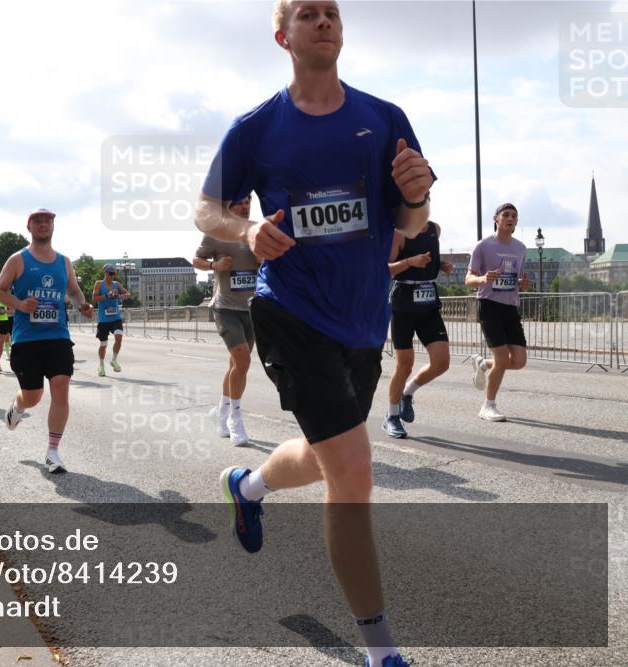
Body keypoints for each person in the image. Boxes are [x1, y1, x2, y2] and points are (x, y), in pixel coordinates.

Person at [195, 3, 434, 666]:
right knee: (354, 470)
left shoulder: (384, 118)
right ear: (285, 36)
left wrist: (416, 198)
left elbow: (410, 220)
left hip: (363, 321)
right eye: (308, 13)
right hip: (291, 313)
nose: (324, 20)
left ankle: (246, 486)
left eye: (332, 12)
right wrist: (243, 230)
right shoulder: (257, 127)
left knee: (328, 455)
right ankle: (381, 648)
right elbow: (205, 206)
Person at [0, 208, 94, 474]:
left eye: (48, 221)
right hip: (26, 339)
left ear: (53, 227)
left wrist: (82, 305)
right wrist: (20, 304)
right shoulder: (18, 259)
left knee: (61, 387)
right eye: (38, 221)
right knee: (33, 397)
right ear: (29, 226)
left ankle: (52, 452)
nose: (43, 225)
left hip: (58, 336)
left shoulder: (64, 261)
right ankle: (17, 407)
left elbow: (73, 290)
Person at [193, 195, 258, 446]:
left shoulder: (255, 230)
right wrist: (214, 265)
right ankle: (235, 418)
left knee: (236, 365)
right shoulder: (216, 232)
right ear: (228, 207)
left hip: (251, 308)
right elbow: (196, 260)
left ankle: (220, 410)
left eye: (248, 202)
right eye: (239, 202)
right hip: (225, 307)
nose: (245, 206)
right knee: (242, 361)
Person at [382, 221, 453, 439]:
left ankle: (407, 393)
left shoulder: (435, 229)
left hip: (429, 304)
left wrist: (441, 265)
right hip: (403, 303)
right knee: (405, 363)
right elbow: (385, 269)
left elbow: (430, 258)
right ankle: (392, 416)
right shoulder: (399, 232)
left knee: (441, 363)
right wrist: (410, 262)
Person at [465, 203, 532, 422]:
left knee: (520, 361)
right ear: (496, 218)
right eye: (506, 215)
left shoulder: (520, 248)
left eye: (514, 215)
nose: (510, 218)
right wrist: (483, 279)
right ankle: (488, 406)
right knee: (502, 358)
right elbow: (468, 279)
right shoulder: (483, 246)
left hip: (510, 307)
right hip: (489, 305)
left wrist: (523, 283)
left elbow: (517, 279)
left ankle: (483, 364)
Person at [91, 264, 131, 376]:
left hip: (115, 318)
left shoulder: (116, 284)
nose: (112, 276)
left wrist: (119, 296)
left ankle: (114, 360)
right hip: (103, 320)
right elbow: (94, 299)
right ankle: (101, 366)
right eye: (110, 273)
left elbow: (128, 294)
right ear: (105, 273)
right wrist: (107, 295)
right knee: (103, 344)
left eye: (114, 274)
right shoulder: (99, 284)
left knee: (119, 337)